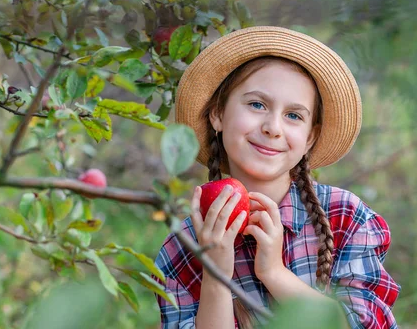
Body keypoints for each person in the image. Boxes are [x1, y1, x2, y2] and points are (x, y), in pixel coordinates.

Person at [152, 26, 401, 328]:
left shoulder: (345, 217)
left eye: (293, 115)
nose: (273, 127)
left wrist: (273, 272)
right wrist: (215, 272)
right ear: (217, 114)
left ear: (310, 136)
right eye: (257, 104)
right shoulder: (183, 246)